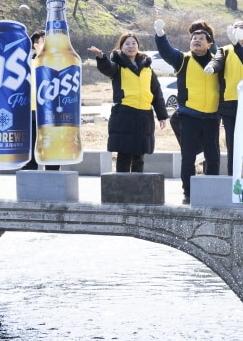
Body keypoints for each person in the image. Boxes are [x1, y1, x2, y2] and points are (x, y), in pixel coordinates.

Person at [154, 19, 221, 205]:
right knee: (188, 158)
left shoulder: (218, 60)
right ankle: (188, 193)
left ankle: (212, 192)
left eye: (201, 38)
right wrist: (160, 35)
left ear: (209, 44)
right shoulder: (183, 60)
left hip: (211, 118)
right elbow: (166, 51)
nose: (197, 40)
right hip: (189, 116)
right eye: (194, 38)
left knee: (213, 157)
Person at [87, 33, 169, 173]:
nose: (131, 46)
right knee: (124, 155)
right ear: (121, 47)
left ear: (138, 46)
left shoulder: (147, 67)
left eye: (133, 43)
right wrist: (101, 58)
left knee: (139, 156)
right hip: (124, 115)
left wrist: (162, 115)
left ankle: (138, 191)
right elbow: (107, 68)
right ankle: (122, 190)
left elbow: (156, 91)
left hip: (144, 115)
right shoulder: (117, 65)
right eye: (127, 43)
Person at [206, 19, 243, 176]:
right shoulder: (224, 50)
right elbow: (217, 61)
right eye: (235, 27)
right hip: (229, 103)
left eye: (242, 27)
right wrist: (212, 67)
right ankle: (233, 178)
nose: (238, 29)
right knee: (232, 142)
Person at [21, 29, 59, 171]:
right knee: (31, 144)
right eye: (42, 41)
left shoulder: (58, 60)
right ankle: (30, 174)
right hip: (31, 110)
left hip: (51, 111)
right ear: (34, 45)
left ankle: (53, 173)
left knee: (51, 144)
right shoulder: (28, 63)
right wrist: (39, 56)